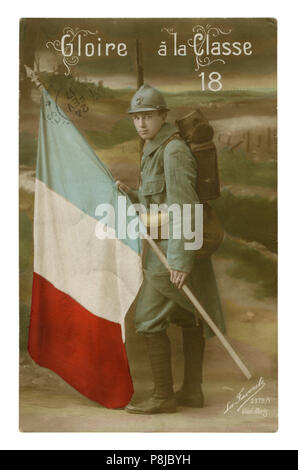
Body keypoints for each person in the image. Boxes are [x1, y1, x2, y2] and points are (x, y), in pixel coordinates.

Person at [116, 84, 225, 414]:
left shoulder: (173, 151)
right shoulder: (152, 147)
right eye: (136, 118)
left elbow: (185, 208)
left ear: (163, 116)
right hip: (168, 250)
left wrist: (179, 261)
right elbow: (159, 201)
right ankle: (192, 391)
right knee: (189, 316)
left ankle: (163, 396)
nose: (141, 124)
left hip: (174, 254)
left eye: (148, 116)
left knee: (148, 319)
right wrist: (133, 195)